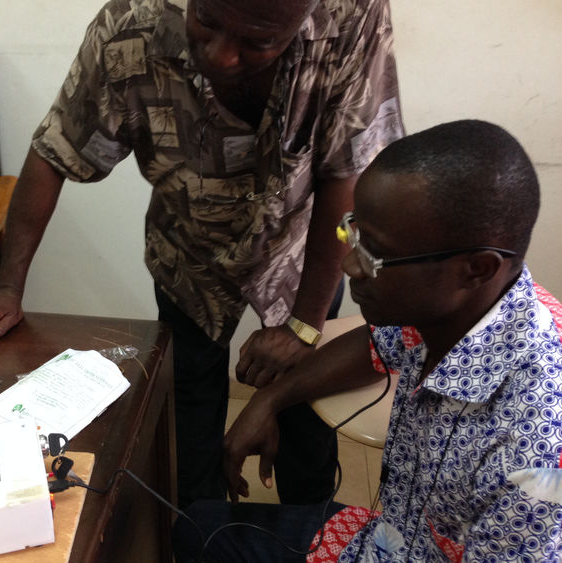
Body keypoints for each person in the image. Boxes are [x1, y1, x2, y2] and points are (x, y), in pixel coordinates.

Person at [0, 0, 404, 507]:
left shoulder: (353, 14)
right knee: (189, 422)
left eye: (258, 42)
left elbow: (347, 171)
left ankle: (311, 532)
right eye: (206, 23)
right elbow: (55, 149)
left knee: (307, 425)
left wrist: (304, 324)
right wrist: (10, 286)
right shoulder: (130, 24)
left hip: (306, 255)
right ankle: (201, 529)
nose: (222, 57)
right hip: (187, 260)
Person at [172, 119, 562, 562]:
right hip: (390, 539)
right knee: (196, 529)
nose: (351, 266)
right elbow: (375, 346)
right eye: (353, 232)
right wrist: (271, 399)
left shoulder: (537, 449)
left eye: (375, 254)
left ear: (477, 268)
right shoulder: (461, 309)